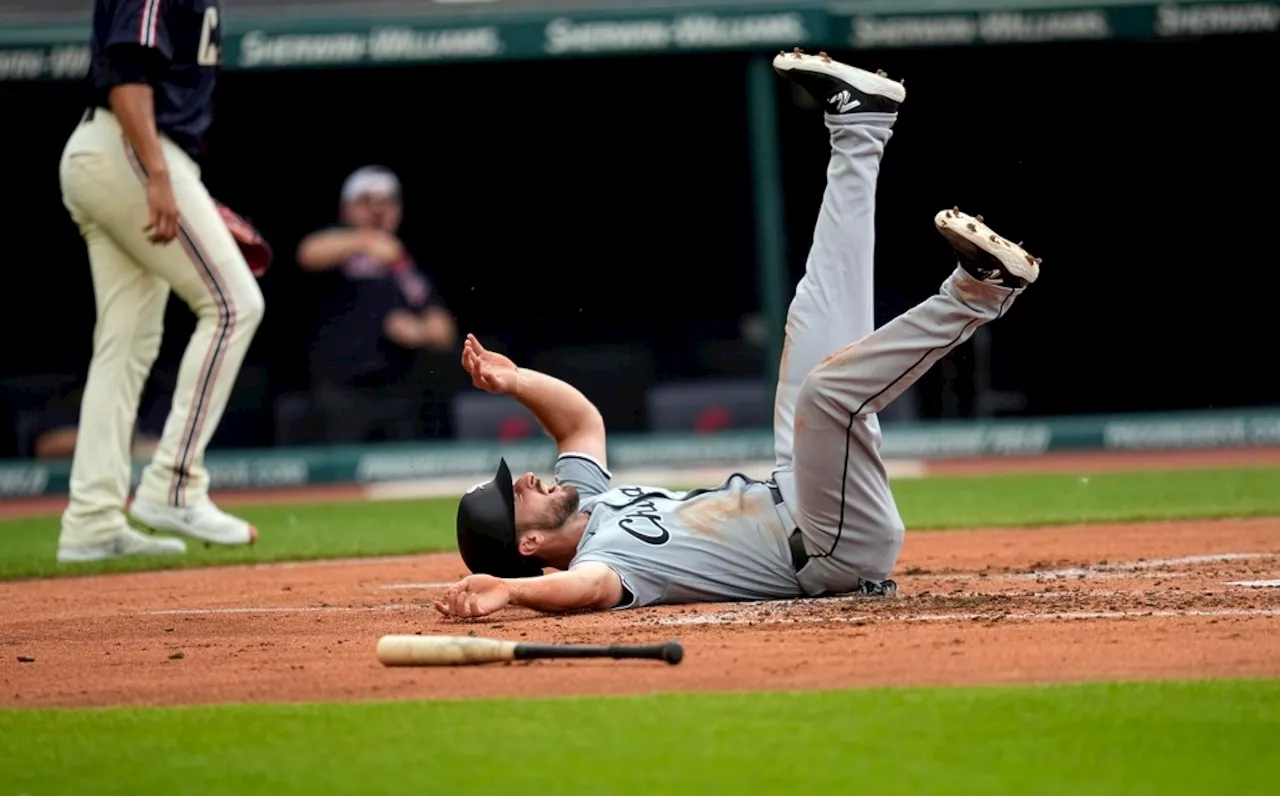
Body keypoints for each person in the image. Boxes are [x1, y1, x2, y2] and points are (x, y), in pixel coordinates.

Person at [433, 50, 1042, 619]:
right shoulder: (604, 559)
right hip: (831, 548)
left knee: (815, 317)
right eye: (515, 496)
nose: (526, 479)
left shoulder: (590, 504)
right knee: (828, 392)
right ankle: (978, 293)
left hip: (797, 488)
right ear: (531, 542)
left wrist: (514, 381)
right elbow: (589, 589)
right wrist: (512, 590)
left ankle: (862, 125)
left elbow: (580, 424)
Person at [55, 0, 264, 564]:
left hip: (120, 152)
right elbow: (127, 68)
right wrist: (159, 173)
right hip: (129, 146)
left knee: (125, 346)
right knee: (235, 305)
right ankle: (173, 482)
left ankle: (91, 520)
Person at [296, 166, 459, 443]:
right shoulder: (336, 249)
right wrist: (366, 240)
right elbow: (307, 253)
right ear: (346, 209)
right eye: (366, 202)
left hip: (399, 392)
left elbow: (445, 331)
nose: (378, 211)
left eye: (387, 203)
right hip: (341, 392)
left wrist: (417, 331)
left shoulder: (407, 264)